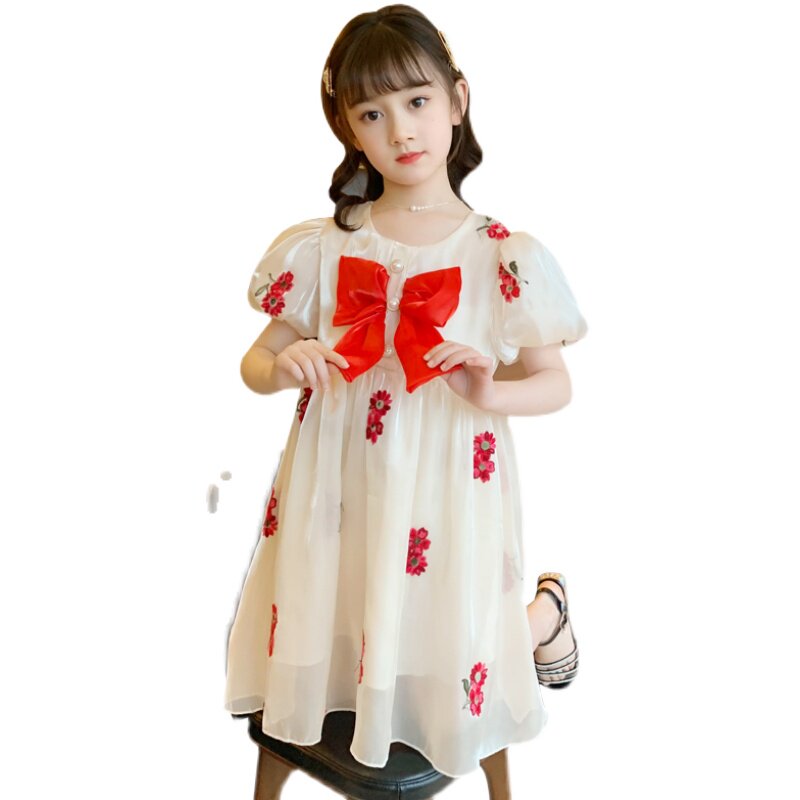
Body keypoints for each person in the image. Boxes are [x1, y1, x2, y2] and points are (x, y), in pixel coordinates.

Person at [224, 3, 588, 779]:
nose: (401, 130)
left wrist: (492, 392)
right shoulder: (325, 247)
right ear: (348, 128)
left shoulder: (501, 255)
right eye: (372, 113)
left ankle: (542, 617)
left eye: (417, 101)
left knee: (452, 623)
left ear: (458, 100)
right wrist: (284, 366)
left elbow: (555, 383)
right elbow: (255, 363)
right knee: (341, 597)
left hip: (449, 473)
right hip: (337, 476)